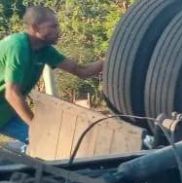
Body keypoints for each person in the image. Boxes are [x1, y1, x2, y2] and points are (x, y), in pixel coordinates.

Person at [0, 6, 104, 148]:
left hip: (6, 113)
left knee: (46, 143)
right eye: (53, 26)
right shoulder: (18, 46)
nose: (58, 31)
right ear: (36, 27)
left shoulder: (45, 51)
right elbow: (12, 94)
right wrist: (36, 126)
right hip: (8, 106)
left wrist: (110, 60)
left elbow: (81, 71)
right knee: (42, 137)